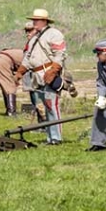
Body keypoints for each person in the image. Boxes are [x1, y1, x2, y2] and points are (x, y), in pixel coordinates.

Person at [17, 9, 66, 145]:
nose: (34, 22)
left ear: (44, 21)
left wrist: (53, 70)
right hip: (37, 76)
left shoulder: (54, 34)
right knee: (45, 106)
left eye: (36, 20)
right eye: (34, 20)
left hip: (49, 73)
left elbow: (60, 54)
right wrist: (20, 72)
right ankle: (50, 137)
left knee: (52, 106)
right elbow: (28, 57)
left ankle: (56, 138)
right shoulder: (34, 38)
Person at [0, 22, 35, 117]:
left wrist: (17, 78)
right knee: (9, 87)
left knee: (6, 87)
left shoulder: (32, 46)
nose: (28, 33)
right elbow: (25, 66)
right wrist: (17, 78)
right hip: (2, 61)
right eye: (26, 31)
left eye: (30, 31)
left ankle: (10, 109)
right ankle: (11, 111)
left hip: (0, 60)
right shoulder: (29, 49)